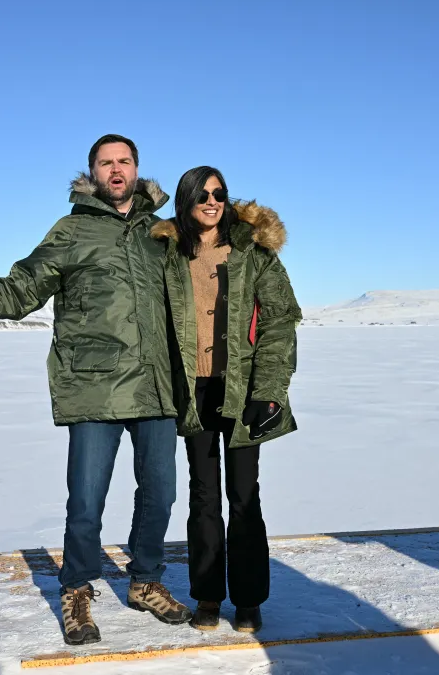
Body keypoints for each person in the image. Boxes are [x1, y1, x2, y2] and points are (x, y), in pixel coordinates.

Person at [0, 135, 192, 646]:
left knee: (161, 494)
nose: (116, 170)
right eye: (106, 163)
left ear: (138, 169)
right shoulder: (71, 230)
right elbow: (21, 291)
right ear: (92, 174)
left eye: (124, 161)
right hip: (92, 386)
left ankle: (145, 581)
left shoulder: (163, 232)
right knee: (85, 501)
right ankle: (77, 589)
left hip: (157, 384)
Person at [151, 166, 301, 633]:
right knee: (203, 497)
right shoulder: (168, 254)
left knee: (244, 494)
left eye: (219, 194)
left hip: (241, 392)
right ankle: (208, 596)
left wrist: (269, 392)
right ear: (186, 202)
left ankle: (250, 598)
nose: (211, 202)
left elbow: (279, 322)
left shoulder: (253, 252)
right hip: (192, 392)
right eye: (202, 196)